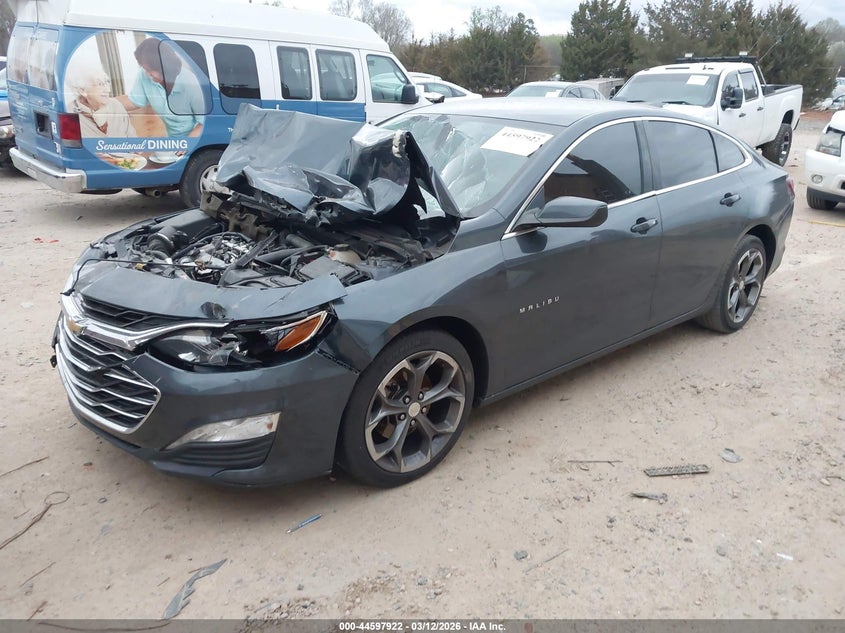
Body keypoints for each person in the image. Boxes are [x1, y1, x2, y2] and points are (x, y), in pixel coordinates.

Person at [118, 37, 206, 138]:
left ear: (164, 67)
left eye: (150, 70)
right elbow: (134, 101)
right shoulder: (144, 74)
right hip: (171, 140)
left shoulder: (190, 82)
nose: (146, 74)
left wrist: (186, 145)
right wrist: (106, 105)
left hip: (195, 139)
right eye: (144, 68)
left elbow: (204, 123)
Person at [65, 64, 136, 137]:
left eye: (107, 82)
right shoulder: (69, 115)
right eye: (100, 84)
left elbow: (133, 140)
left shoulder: (116, 106)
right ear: (82, 91)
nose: (108, 90)